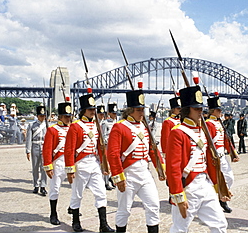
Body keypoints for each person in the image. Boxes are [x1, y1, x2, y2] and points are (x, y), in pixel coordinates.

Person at [166, 86, 228, 232]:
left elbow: (209, 161)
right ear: (187, 110)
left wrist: (218, 185)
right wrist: (178, 195)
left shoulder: (202, 130)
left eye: (201, 108)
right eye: (196, 108)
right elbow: (173, 167)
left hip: (205, 183)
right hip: (188, 186)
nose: (200, 111)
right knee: (180, 228)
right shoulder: (178, 133)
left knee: (220, 224)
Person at [107, 89, 165, 233]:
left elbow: (152, 149)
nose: (142, 113)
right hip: (128, 174)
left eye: (142, 110)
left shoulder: (144, 127)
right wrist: (118, 177)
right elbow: (113, 154)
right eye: (139, 110)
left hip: (144, 172)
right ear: (130, 110)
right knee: (124, 210)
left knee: (153, 206)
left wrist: (160, 167)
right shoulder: (119, 126)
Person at [64, 93, 114, 232]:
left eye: (94, 109)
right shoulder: (75, 126)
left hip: (94, 163)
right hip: (81, 163)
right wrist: (70, 169)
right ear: (83, 110)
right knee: (77, 194)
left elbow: (100, 147)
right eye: (90, 109)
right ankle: (75, 221)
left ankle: (103, 225)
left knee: (101, 193)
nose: (93, 111)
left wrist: (104, 165)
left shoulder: (96, 125)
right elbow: (69, 150)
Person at [206, 95, 239, 214]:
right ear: (213, 111)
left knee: (229, 177)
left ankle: (222, 196)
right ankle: (218, 201)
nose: (220, 112)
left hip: (222, 154)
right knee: (213, 180)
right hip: (214, 155)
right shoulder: (209, 124)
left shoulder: (219, 123)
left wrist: (232, 152)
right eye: (218, 110)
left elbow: (226, 139)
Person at [43, 102, 73, 225]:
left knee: (76, 186)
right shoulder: (53, 130)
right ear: (60, 117)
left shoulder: (73, 128)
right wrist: (48, 166)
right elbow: (47, 149)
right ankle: (53, 213)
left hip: (71, 162)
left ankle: (73, 207)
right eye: (66, 116)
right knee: (55, 188)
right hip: (59, 161)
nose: (68, 118)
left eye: (69, 116)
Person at [26, 105, 48, 196]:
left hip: (44, 146)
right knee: (35, 167)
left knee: (44, 167)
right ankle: (36, 185)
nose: (42, 117)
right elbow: (28, 138)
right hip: (35, 145)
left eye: (43, 116)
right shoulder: (32, 125)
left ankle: (43, 186)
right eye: (41, 116)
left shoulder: (47, 125)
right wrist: (27, 150)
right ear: (37, 116)